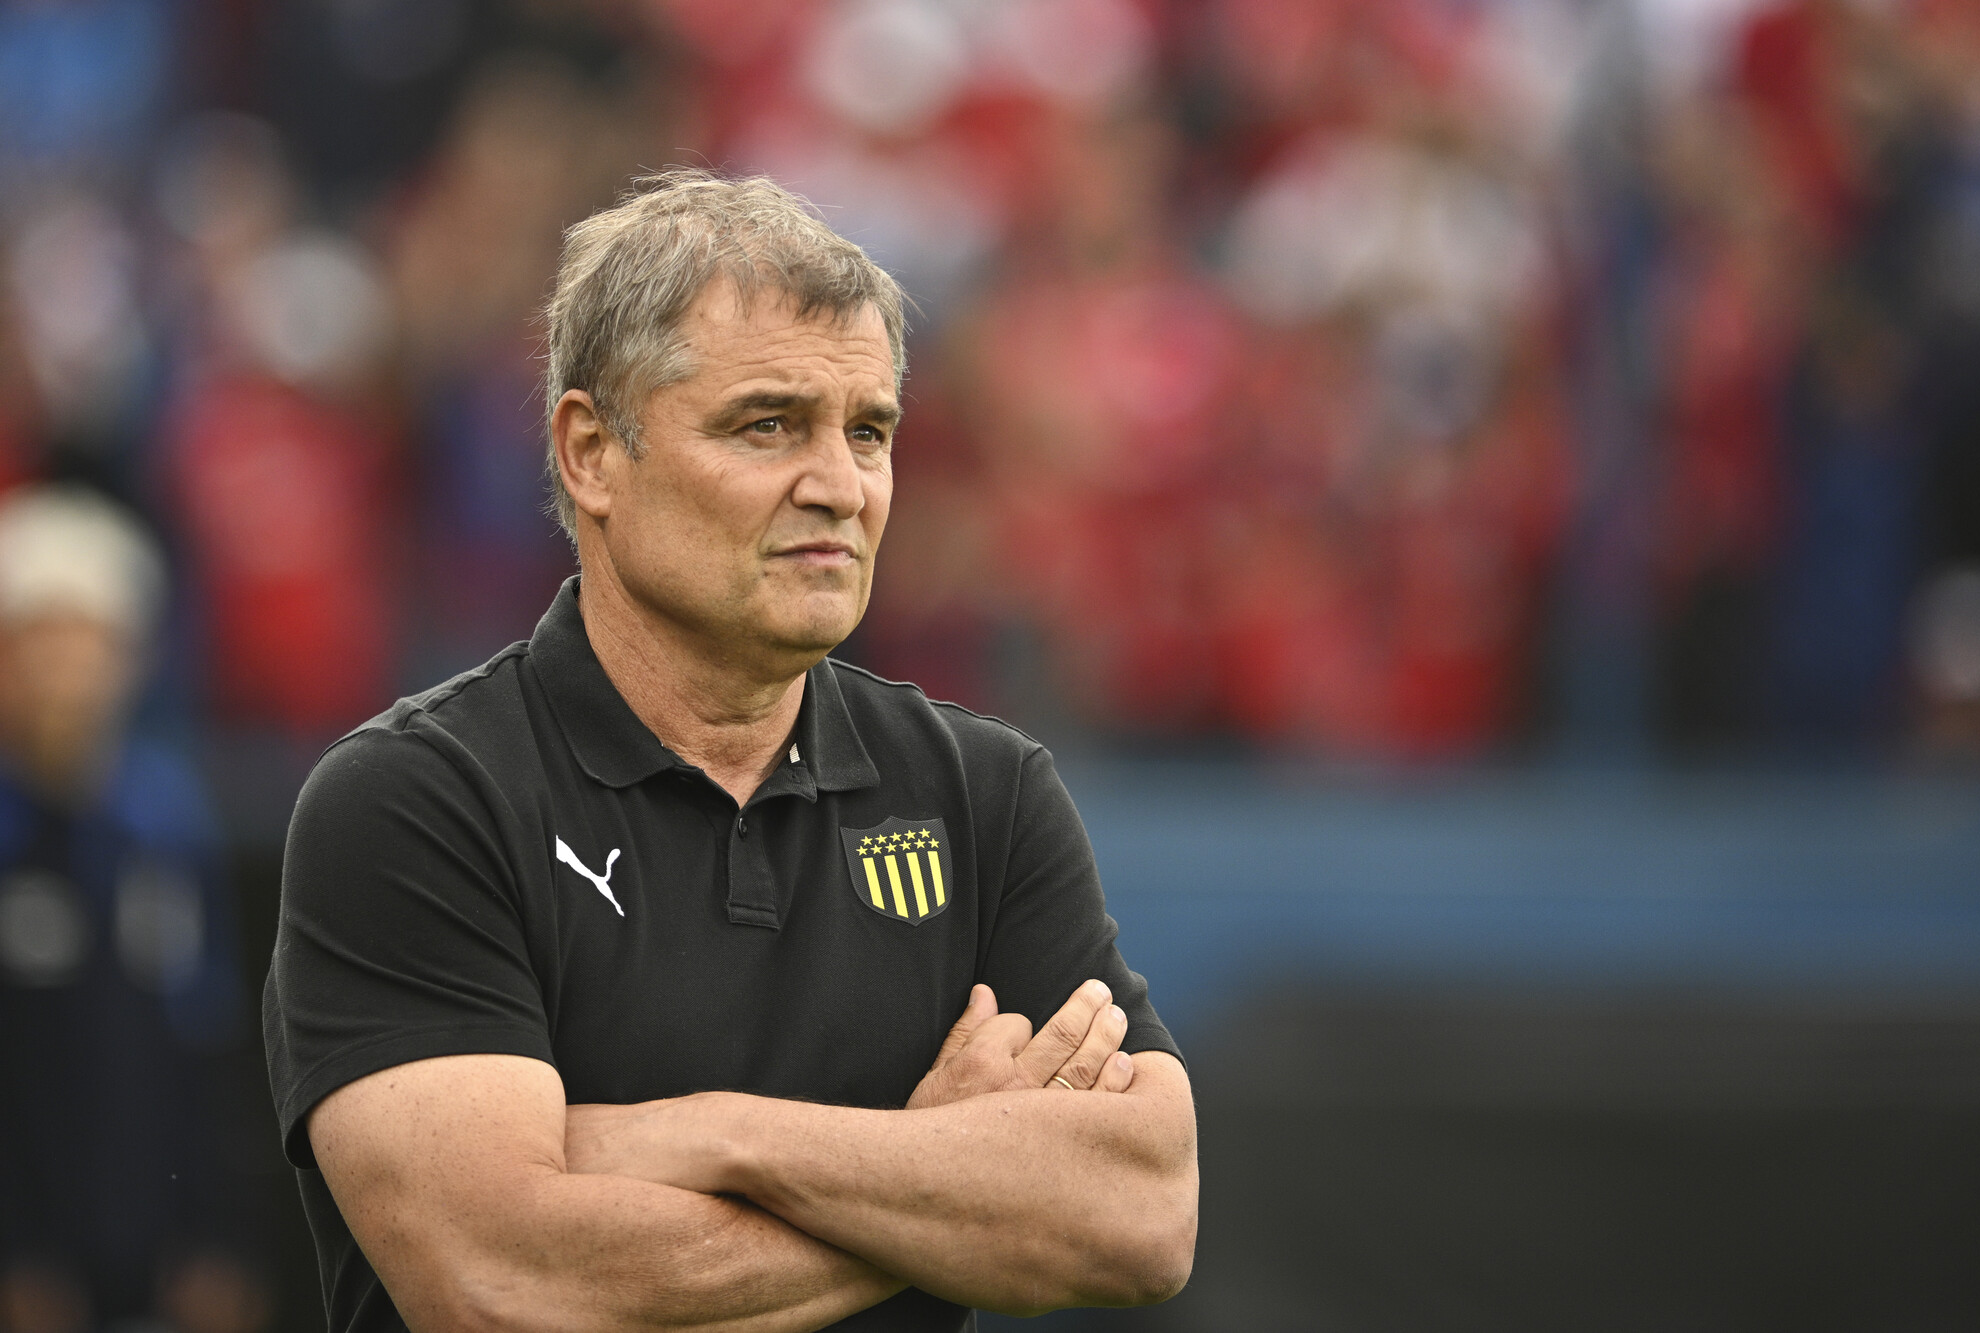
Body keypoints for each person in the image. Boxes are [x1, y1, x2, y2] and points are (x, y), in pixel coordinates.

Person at [263, 171, 1197, 1333]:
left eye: (868, 432)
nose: (840, 487)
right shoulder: (416, 800)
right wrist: (936, 1171)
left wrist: (722, 1136)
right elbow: (501, 1284)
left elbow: (1143, 1214)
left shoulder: (985, 792)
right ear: (591, 452)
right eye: (767, 425)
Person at [0, 485, 266, 1333]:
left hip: (159, 1263)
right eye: (42, 639)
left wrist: (218, 1237)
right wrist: (17, 1250)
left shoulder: (168, 827)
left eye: (92, 640)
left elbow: (210, 1042)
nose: (69, 669)